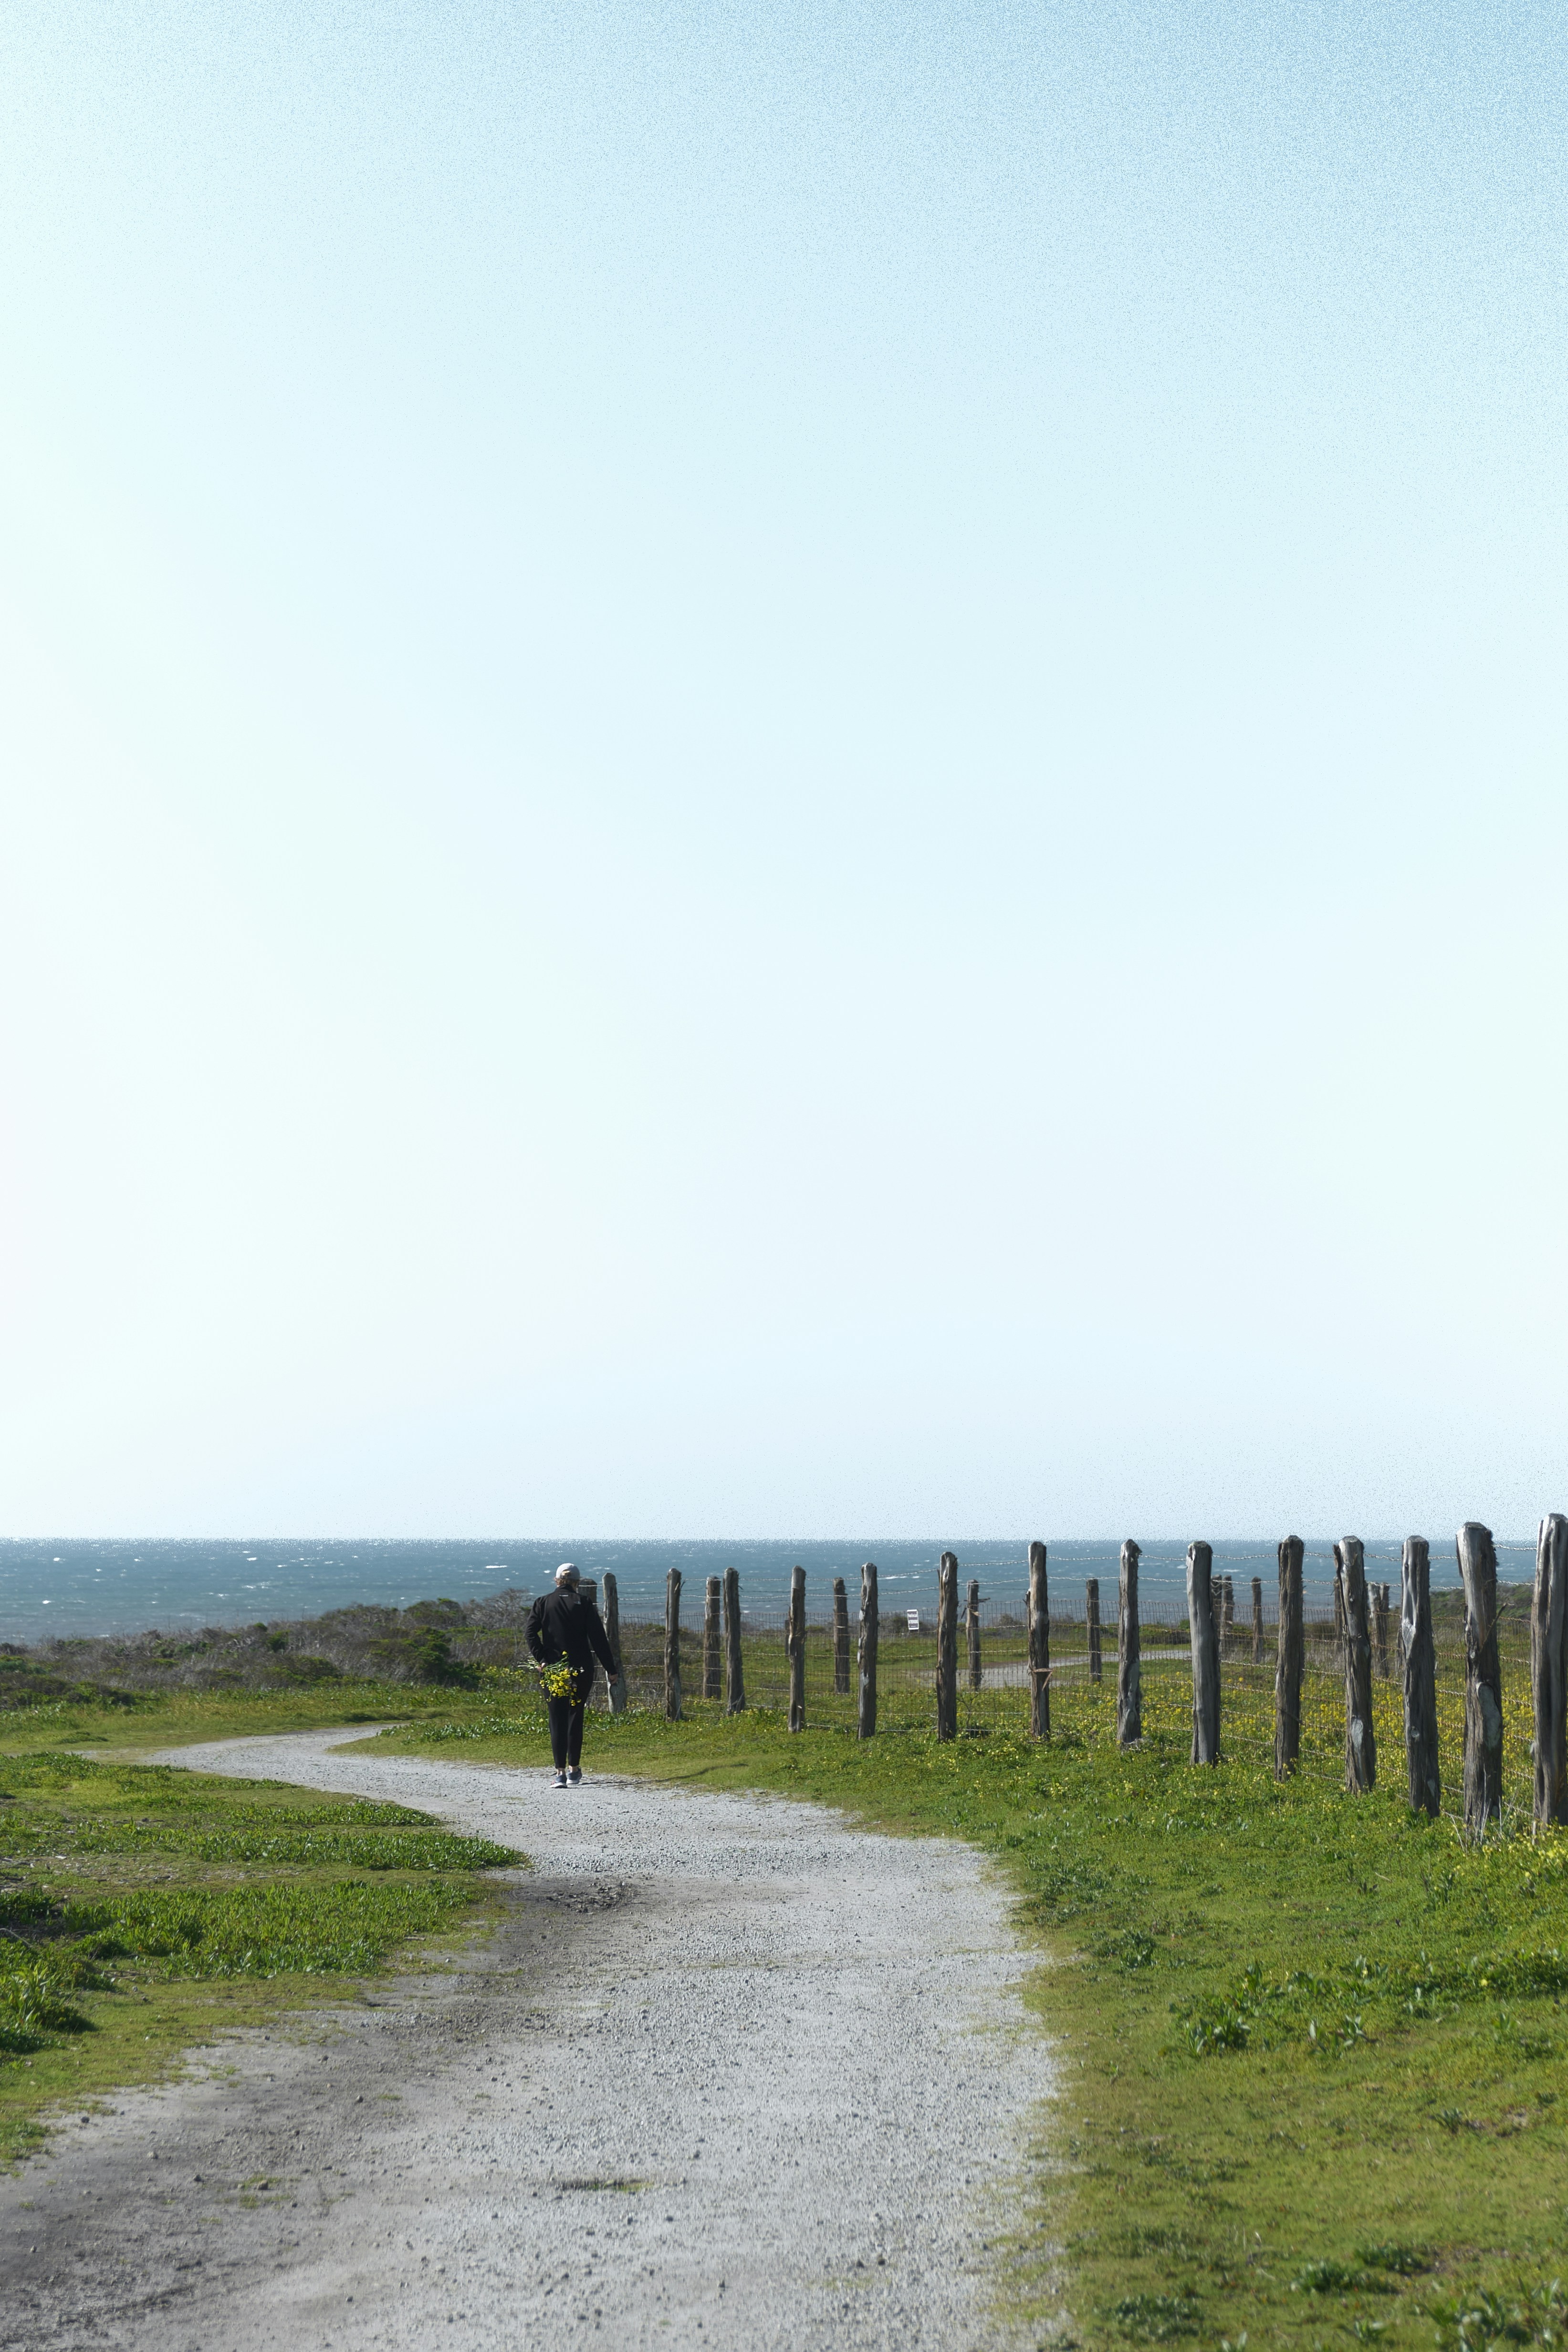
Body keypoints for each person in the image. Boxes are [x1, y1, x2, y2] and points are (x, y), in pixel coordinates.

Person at [525, 1563, 619, 1787]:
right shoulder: (584, 1603)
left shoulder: (543, 1602)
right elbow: (598, 1639)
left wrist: (542, 1659)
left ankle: (559, 1773)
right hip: (581, 1668)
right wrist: (611, 1669)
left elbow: (530, 1633)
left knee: (556, 1716)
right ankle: (574, 1770)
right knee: (575, 1715)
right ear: (577, 1582)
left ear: (557, 1581)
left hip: (553, 1669)